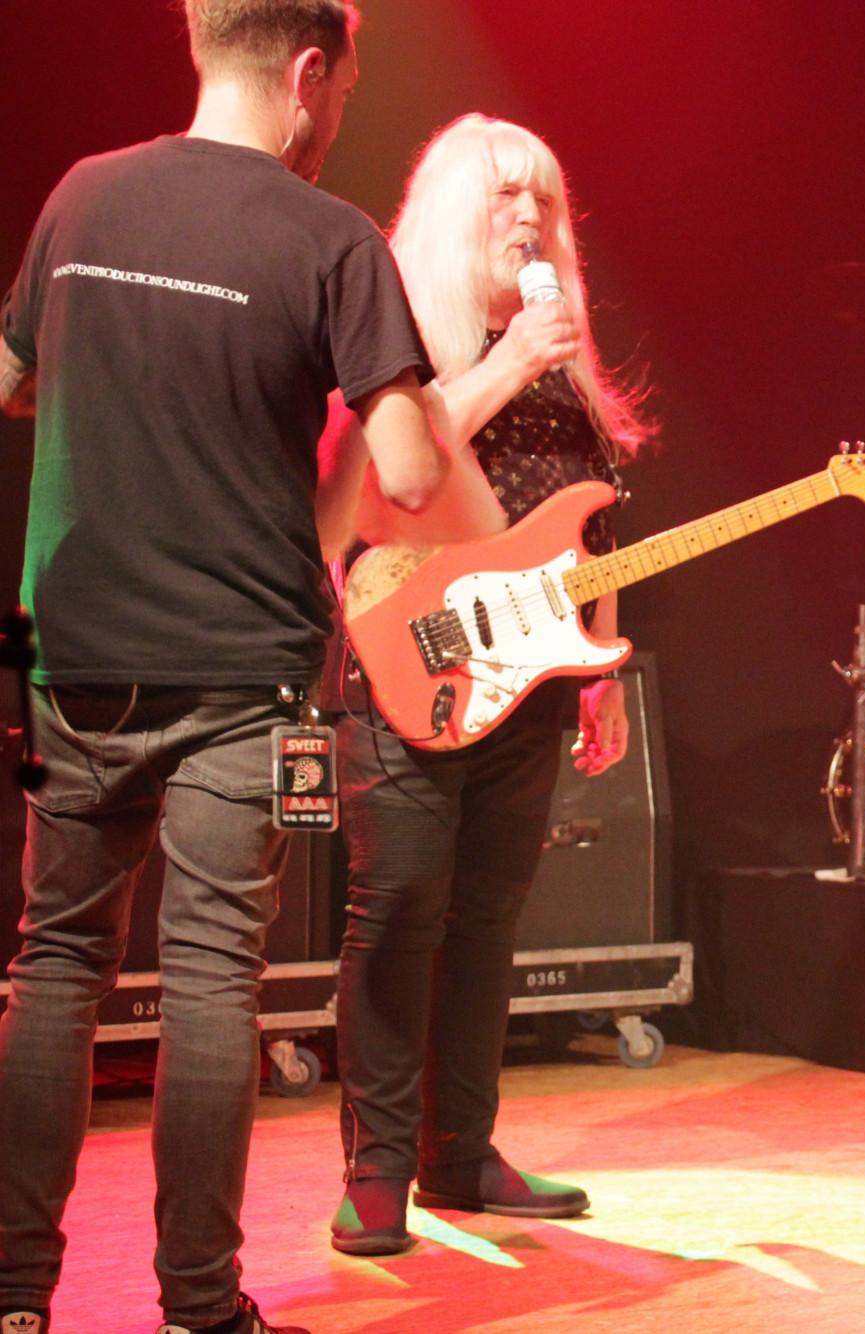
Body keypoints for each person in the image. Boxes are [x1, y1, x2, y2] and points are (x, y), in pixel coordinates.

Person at [0, 4, 493, 1332]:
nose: (336, 124)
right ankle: (201, 1308)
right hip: (246, 677)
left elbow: (11, 382)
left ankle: (14, 1299)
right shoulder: (331, 239)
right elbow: (405, 474)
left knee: (55, 963)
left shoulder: (82, 197)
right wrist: (402, 381)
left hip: (74, 653)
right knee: (213, 972)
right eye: (344, 97)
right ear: (306, 72)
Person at [323, 114, 650, 1257]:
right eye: (506, 194)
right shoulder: (404, 343)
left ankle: (459, 1151)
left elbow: (594, 525)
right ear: (455, 215)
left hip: (531, 678)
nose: (531, 215)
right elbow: (380, 477)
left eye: (544, 198)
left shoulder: (568, 373)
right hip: (411, 666)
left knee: (487, 917)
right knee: (401, 905)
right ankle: (375, 1170)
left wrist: (604, 664)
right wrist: (508, 364)